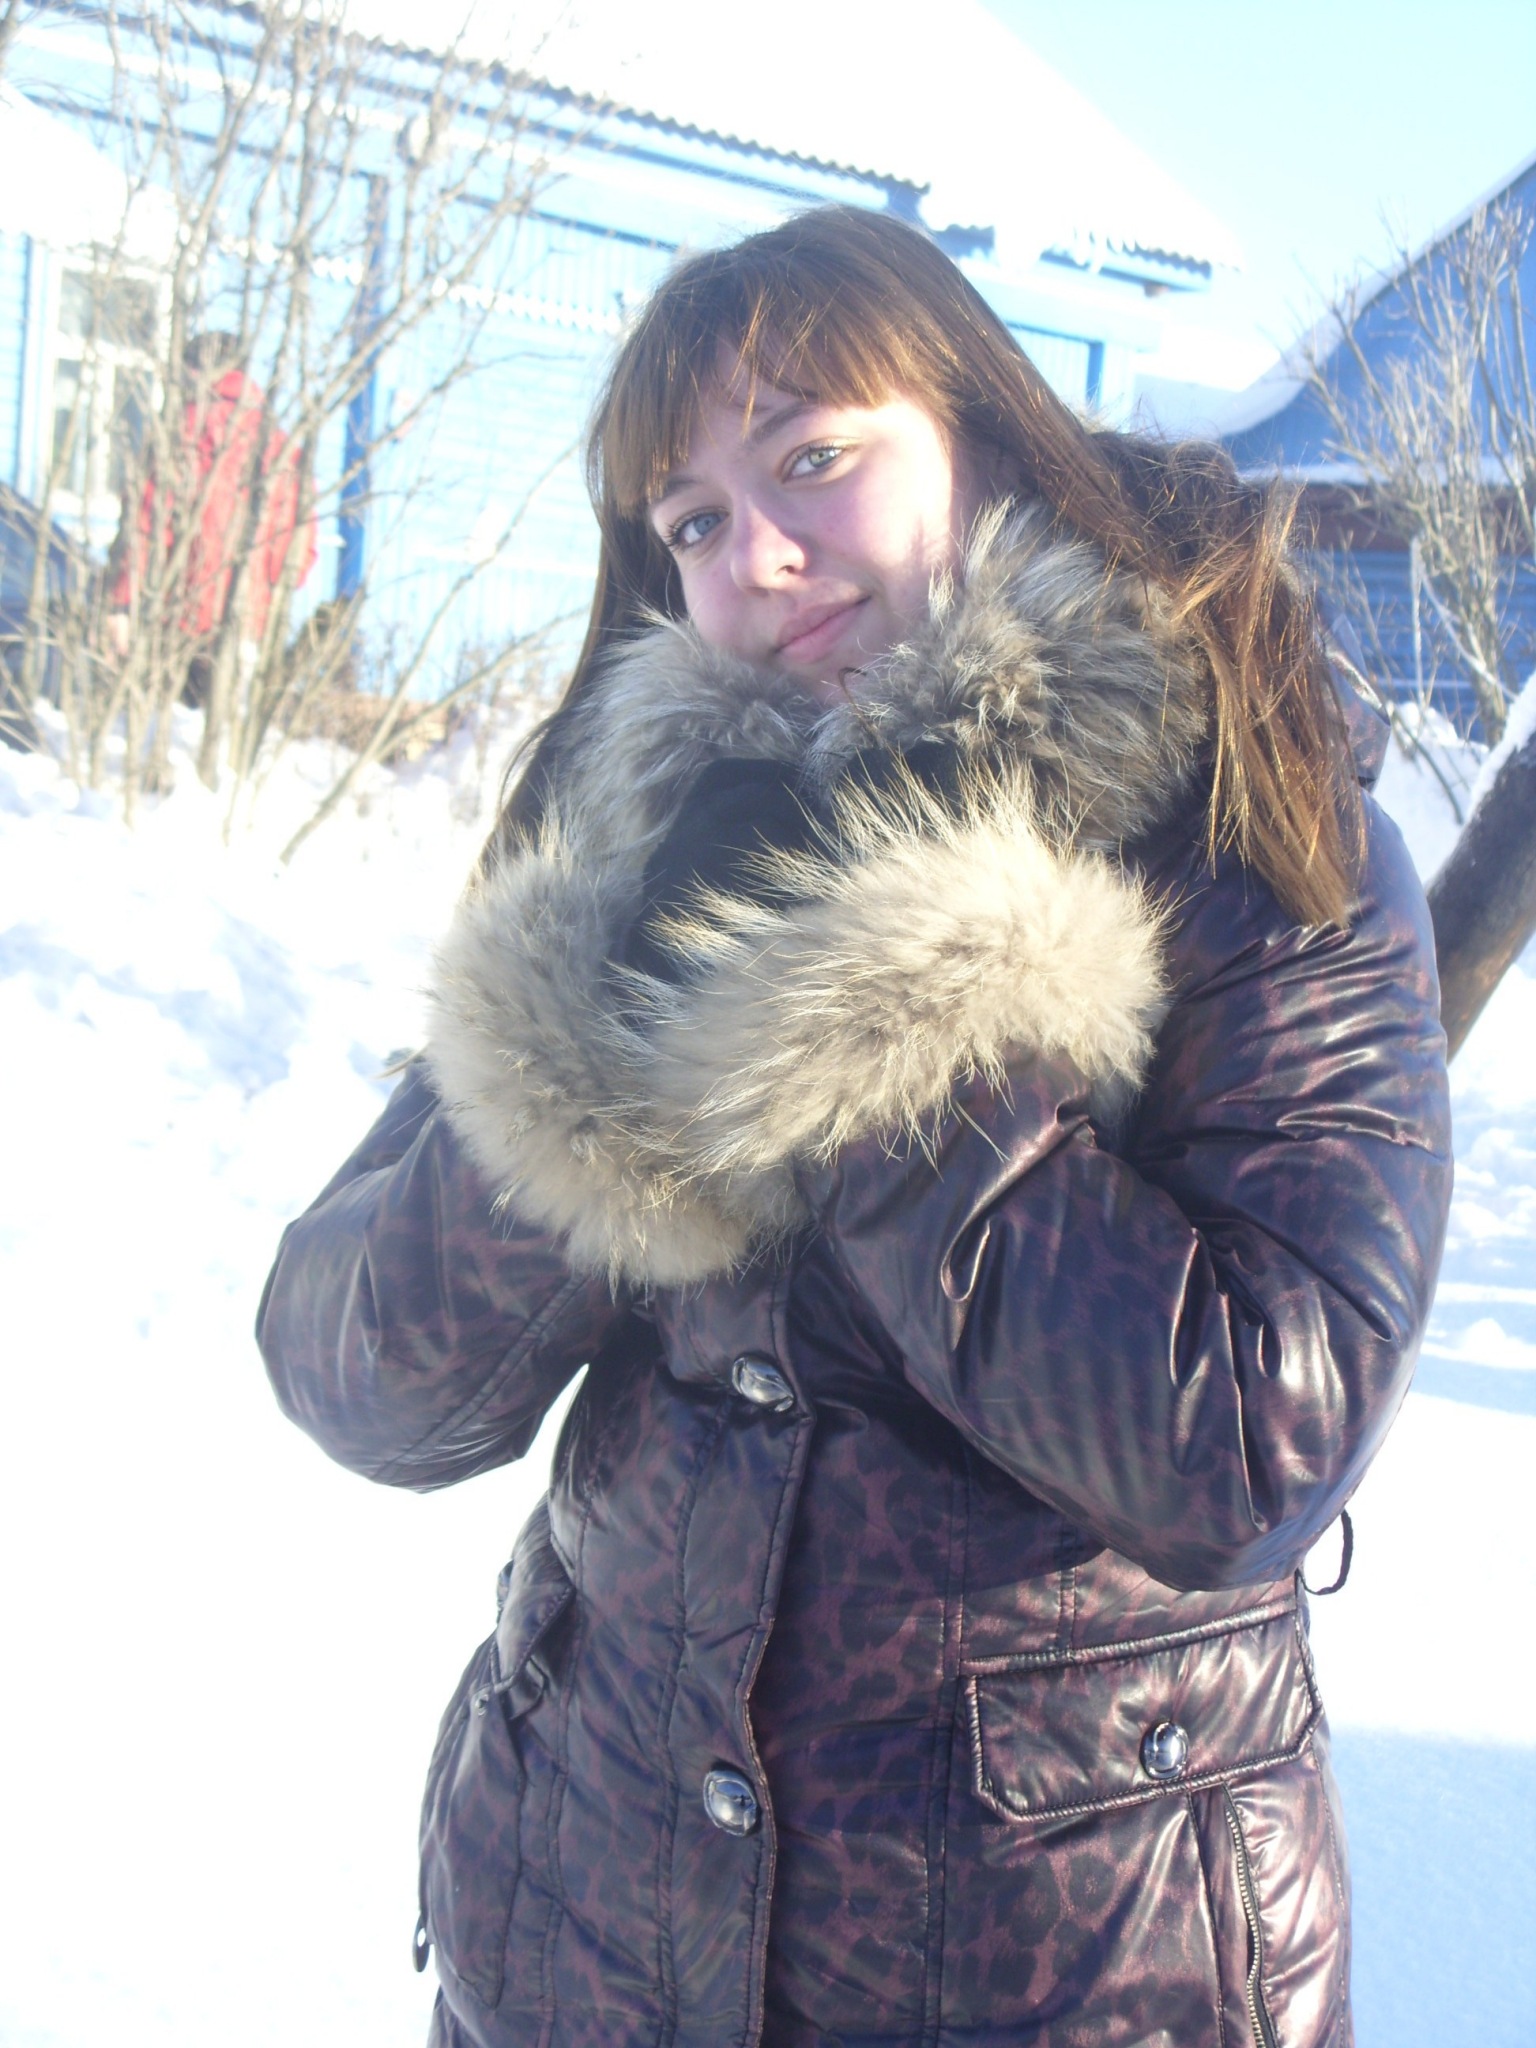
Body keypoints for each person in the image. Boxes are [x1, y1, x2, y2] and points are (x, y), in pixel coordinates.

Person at [257, 207, 1451, 2048]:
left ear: (980, 434)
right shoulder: (638, 836)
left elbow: (1244, 1449)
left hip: (1070, 1962)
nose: (757, 554)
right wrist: (595, 1034)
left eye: (813, 459)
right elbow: (358, 1379)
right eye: (692, 521)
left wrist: (866, 1011)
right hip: (586, 1928)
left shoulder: (1242, 820)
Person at [107, 331, 315, 704]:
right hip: (252, 626)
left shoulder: (185, 431)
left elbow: (146, 524)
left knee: (165, 724)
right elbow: (302, 548)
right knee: (226, 728)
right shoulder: (281, 445)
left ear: (195, 371)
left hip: (180, 622)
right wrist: (266, 595)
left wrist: (121, 602)